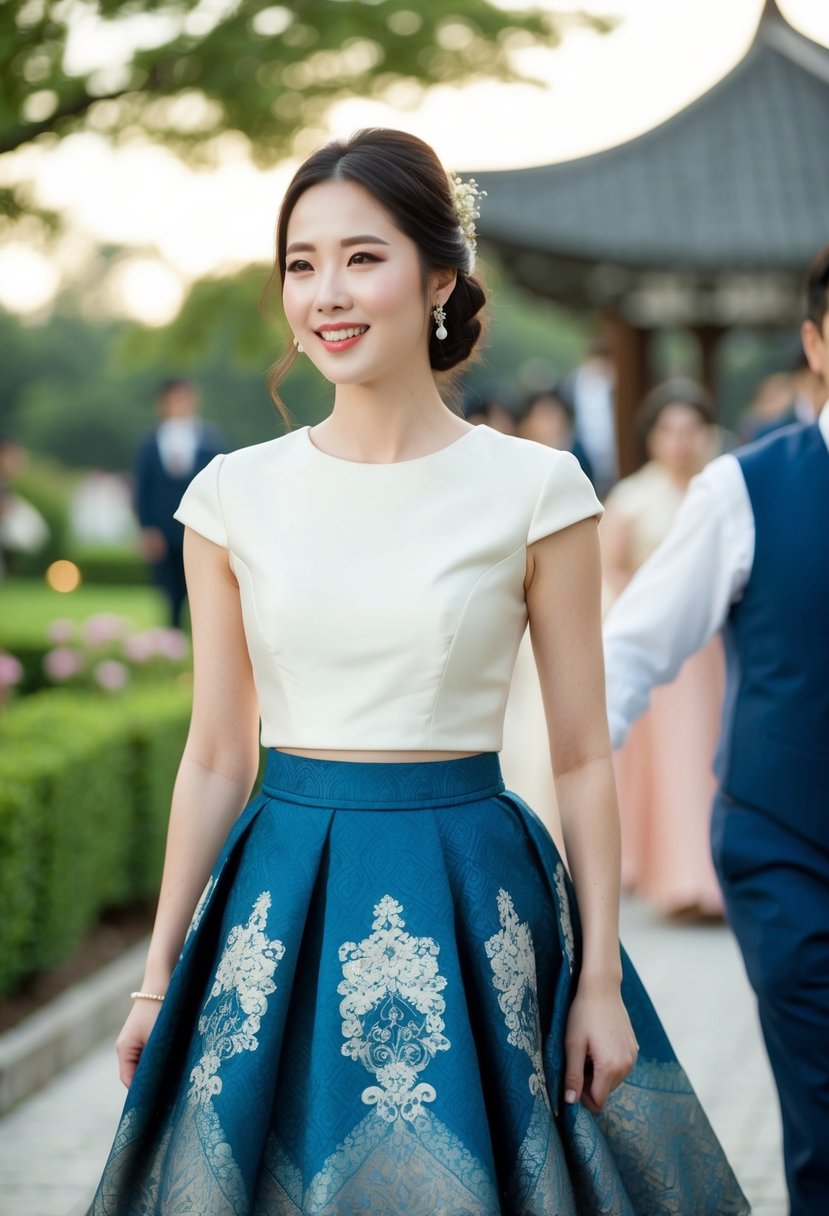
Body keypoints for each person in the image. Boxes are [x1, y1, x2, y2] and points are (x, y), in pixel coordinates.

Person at [88, 129, 747, 1215]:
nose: (326, 293)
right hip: (279, 895)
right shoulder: (229, 495)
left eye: (362, 256)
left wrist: (596, 982)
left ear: (439, 277)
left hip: (474, 889)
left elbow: (582, 755)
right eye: (301, 263)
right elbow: (214, 753)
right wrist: (159, 977)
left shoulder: (536, 489)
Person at [603, 245, 829, 1214]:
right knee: (822, 1098)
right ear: (817, 341)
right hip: (789, 846)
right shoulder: (746, 488)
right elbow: (629, 651)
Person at [601, 380, 724, 919]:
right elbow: (608, 574)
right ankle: (677, 879)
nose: (680, 441)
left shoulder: (719, 493)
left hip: (714, 652)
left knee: (715, 762)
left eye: (691, 429)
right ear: (652, 437)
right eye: (669, 430)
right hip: (658, 652)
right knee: (674, 768)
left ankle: (715, 877)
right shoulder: (630, 498)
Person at [133, 378, 224, 628]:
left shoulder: (208, 438)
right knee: (169, 586)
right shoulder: (151, 442)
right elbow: (143, 488)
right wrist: (147, 527)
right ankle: (172, 633)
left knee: (202, 585)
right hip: (163, 527)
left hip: (199, 525)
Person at [519, 385, 595, 482]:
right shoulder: (522, 459)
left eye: (558, 417)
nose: (555, 424)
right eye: (546, 416)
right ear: (527, 424)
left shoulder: (577, 455)